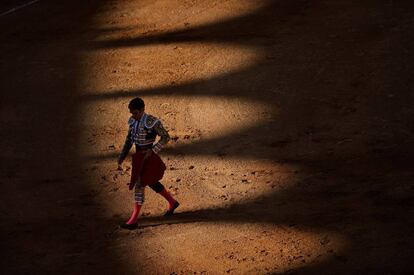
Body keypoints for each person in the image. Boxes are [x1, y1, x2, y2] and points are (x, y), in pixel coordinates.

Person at [117, 97, 179, 229]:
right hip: (139, 157)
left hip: (148, 156)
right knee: (150, 181)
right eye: (132, 113)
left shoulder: (152, 121)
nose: (134, 116)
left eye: (136, 113)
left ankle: (133, 220)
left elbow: (165, 137)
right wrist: (122, 156)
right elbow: (129, 140)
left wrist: (153, 150)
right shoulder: (133, 121)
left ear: (142, 110)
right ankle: (172, 202)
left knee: (139, 184)